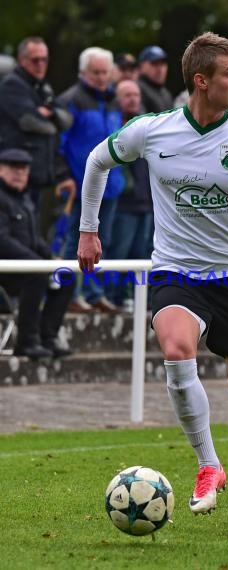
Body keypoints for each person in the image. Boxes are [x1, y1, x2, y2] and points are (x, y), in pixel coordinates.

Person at [77, 32, 228, 525]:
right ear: (201, 80)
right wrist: (89, 231)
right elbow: (97, 160)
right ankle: (208, 465)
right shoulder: (153, 130)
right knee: (176, 351)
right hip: (177, 269)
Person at [56, 47, 124, 313]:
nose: (100, 77)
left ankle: (95, 294)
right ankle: (70, 294)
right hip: (79, 184)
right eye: (95, 72)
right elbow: (58, 145)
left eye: (104, 72)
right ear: (83, 73)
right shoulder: (70, 100)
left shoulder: (114, 100)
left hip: (111, 184)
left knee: (102, 240)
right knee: (75, 241)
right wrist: (64, 177)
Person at [0, 148, 73, 359]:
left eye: (23, 169)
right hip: (7, 268)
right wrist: (38, 263)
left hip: (27, 265)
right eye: (13, 169)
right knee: (37, 276)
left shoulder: (24, 199)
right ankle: (26, 342)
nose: (19, 173)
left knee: (66, 277)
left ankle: (46, 339)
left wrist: (50, 259)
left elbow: (34, 238)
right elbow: (2, 241)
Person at [0, 37, 74, 236]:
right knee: (19, 230)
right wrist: (52, 119)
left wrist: (48, 115)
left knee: (34, 229)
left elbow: (67, 120)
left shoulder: (43, 86)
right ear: (21, 60)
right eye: (35, 60)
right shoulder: (12, 85)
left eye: (44, 60)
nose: (41, 65)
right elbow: (30, 122)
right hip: (17, 175)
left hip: (38, 174)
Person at [108, 79, 153, 308]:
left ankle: (139, 298)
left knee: (143, 255)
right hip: (124, 202)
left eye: (136, 94)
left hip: (147, 202)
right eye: (127, 95)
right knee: (119, 253)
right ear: (117, 98)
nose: (133, 99)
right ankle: (116, 297)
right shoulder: (113, 125)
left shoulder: (148, 125)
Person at [137, 45, 174, 113]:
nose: (160, 69)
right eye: (154, 63)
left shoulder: (166, 93)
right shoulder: (137, 90)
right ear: (141, 67)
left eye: (163, 64)